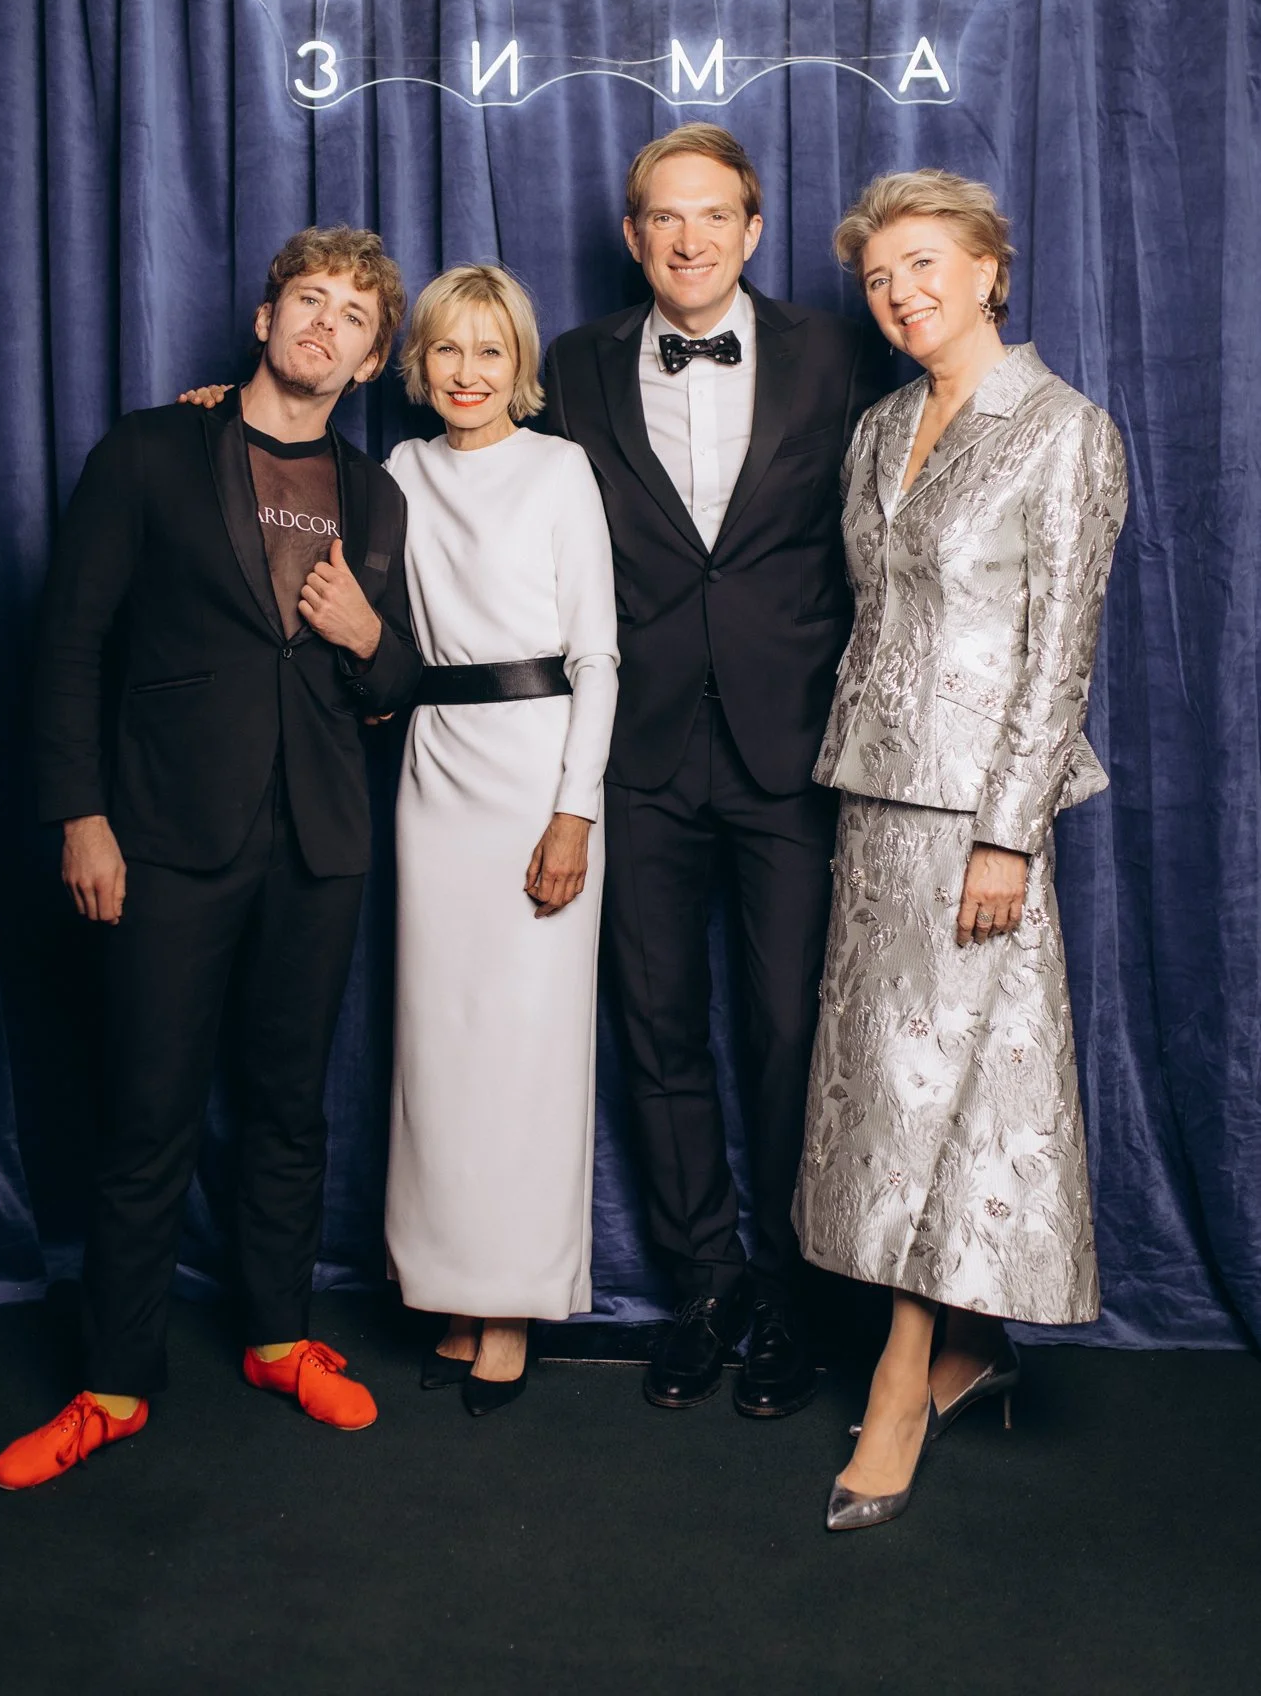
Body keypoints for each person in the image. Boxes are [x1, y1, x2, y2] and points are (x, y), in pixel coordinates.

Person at [0, 226, 421, 1490]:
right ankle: (113, 1384)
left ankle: (280, 1336)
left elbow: (392, 685)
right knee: (147, 1110)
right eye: (308, 299)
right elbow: (71, 643)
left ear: (371, 359)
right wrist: (81, 815)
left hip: (320, 841)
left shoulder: (377, 495)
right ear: (265, 317)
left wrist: (369, 635)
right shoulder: (149, 450)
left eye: (353, 315)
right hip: (166, 835)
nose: (325, 324)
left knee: (289, 1104)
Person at [793, 170, 1128, 1530]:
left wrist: (1007, 833)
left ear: (992, 267)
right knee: (903, 1087)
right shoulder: (880, 427)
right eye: (879, 279)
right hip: (873, 795)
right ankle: (969, 1349)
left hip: (980, 812)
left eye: (924, 264)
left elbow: (1061, 655)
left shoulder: (1063, 429)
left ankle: (899, 1377)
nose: (900, 294)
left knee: (935, 1089)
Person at [545, 125, 890, 1415]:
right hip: (634, 748)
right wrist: (237, 415)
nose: (686, 239)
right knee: (656, 1025)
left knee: (791, 1028)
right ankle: (704, 1282)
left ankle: (796, 1295)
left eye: (712, 215)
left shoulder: (836, 353)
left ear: (751, 230)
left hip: (789, 745)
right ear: (632, 236)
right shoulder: (571, 365)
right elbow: (464, 442)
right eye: (662, 216)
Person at [382, 265, 618, 1413]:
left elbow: (596, 657)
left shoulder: (559, 468)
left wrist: (575, 808)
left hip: (539, 775)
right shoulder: (398, 471)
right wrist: (216, 408)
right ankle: (451, 1289)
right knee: (437, 1046)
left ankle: (513, 1304)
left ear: (517, 364)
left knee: (527, 1048)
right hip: (434, 766)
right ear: (417, 363)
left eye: (489, 350)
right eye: (446, 349)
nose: (467, 372)